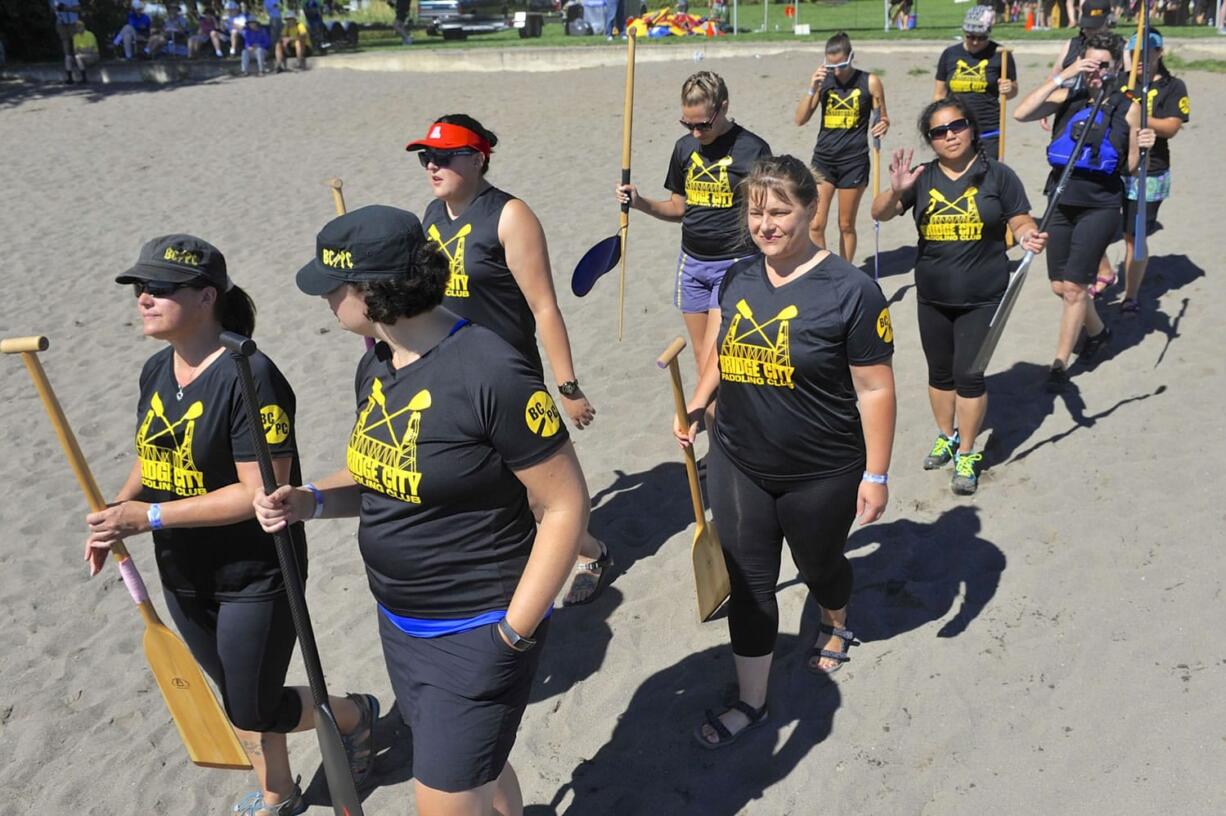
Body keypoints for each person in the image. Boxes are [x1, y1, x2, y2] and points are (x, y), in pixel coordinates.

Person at [255, 205, 589, 816]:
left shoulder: (492, 372)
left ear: (373, 292)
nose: (326, 302)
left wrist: (513, 633)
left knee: (442, 799)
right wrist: (313, 500)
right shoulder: (377, 362)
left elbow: (565, 506)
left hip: (478, 629)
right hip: (401, 622)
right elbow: (384, 476)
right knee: (480, 771)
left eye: (333, 288)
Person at [84, 235, 378, 816]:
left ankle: (353, 714)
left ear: (206, 296)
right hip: (183, 569)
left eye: (160, 288)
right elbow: (154, 453)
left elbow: (257, 492)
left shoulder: (251, 374)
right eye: (140, 288)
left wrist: (151, 516)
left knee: (252, 706)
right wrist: (116, 513)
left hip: (254, 572)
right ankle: (278, 791)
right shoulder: (155, 369)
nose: (144, 298)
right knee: (236, 695)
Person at [675, 155, 896, 747]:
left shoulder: (853, 291)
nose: (765, 224)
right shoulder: (737, 277)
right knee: (751, 583)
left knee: (820, 565)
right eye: (756, 212)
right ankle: (752, 701)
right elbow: (722, 351)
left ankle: (835, 618)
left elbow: (875, 389)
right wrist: (699, 403)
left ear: (810, 209)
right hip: (739, 459)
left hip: (822, 469)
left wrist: (875, 473)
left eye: (779, 211)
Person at [408, 115, 609, 606]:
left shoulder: (510, 215)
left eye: (444, 156)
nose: (432, 166)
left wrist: (567, 387)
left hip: (507, 375)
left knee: (543, 493)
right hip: (449, 373)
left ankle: (591, 552)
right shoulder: (432, 216)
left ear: (477, 159)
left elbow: (544, 306)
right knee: (486, 485)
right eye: (425, 157)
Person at [871, 98, 1048, 495]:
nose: (950, 135)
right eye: (939, 131)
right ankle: (946, 435)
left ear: (971, 128)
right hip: (932, 293)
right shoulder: (921, 178)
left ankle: (967, 452)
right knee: (940, 373)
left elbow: (1019, 217)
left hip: (983, 294)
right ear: (930, 140)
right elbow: (879, 213)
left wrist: (1025, 235)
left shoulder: (998, 176)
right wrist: (895, 191)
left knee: (969, 375)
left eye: (957, 126)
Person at [1013, 31, 1155, 391]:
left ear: (1118, 66)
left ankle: (1060, 365)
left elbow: (1131, 166)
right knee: (1060, 285)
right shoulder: (1068, 97)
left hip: (1101, 205)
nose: (1096, 72)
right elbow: (1020, 112)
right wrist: (1067, 71)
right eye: (1090, 64)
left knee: (1076, 288)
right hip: (1060, 201)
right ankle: (1099, 332)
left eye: (1103, 65)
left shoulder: (1129, 106)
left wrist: (1144, 144)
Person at [616, 71, 772, 373]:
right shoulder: (684, 148)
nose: (696, 133)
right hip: (692, 266)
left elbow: (768, 210)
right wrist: (639, 203)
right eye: (688, 124)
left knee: (719, 356)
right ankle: (713, 421)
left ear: (723, 107)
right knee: (703, 360)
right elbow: (678, 208)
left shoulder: (753, 150)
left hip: (735, 264)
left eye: (703, 124)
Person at [794, 32, 890, 263]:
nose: (836, 71)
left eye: (841, 65)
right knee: (816, 222)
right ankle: (823, 270)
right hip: (824, 158)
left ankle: (845, 271)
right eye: (831, 65)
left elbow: (883, 118)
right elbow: (800, 119)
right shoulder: (823, 81)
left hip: (854, 160)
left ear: (851, 57)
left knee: (845, 224)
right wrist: (812, 88)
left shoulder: (870, 81)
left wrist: (882, 125)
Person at [1119, 28, 1188, 315]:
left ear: (1160, 53)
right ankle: (1105, 274)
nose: (1140, 60)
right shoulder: (1122, 84)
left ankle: (1130, 295)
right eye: (1135, 54)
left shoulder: (1173, 86)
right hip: (1116, 168)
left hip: (1151, 172)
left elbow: (1172, 126)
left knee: (1134, 236)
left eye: (1147, 53)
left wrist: (1141, 120)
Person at [934, 6, 1019, 160]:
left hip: (988, 128)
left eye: (981, 37)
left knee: (985, 177)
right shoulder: (950, 54)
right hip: (955, 129)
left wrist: (1009, 88)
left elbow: (1013, 90)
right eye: (970, 36)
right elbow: (939, 94)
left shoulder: (1001, 55)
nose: (975, 42)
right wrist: (937, 123)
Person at [50, 0, 80, 83]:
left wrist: (68, 8)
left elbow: (78, 8)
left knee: (76, 42)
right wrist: (57, 8)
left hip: (73, 22)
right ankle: (68, 67)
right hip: (61, 23)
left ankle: (79, 61)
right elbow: (52, 9)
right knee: (65, 42)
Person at [275, 7, 311, 71]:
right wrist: (284, 40)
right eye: (287, 19)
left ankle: (299, 63)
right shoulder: (286, 27)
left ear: (294, 19)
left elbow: (303, 36)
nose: (289, 21)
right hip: (293, 49)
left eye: (290, 19)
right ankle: (278, 65)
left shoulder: (300, 25)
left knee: (297, 42)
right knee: (278, 44)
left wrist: (290, 39)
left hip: (305, 48)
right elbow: (281, 36)